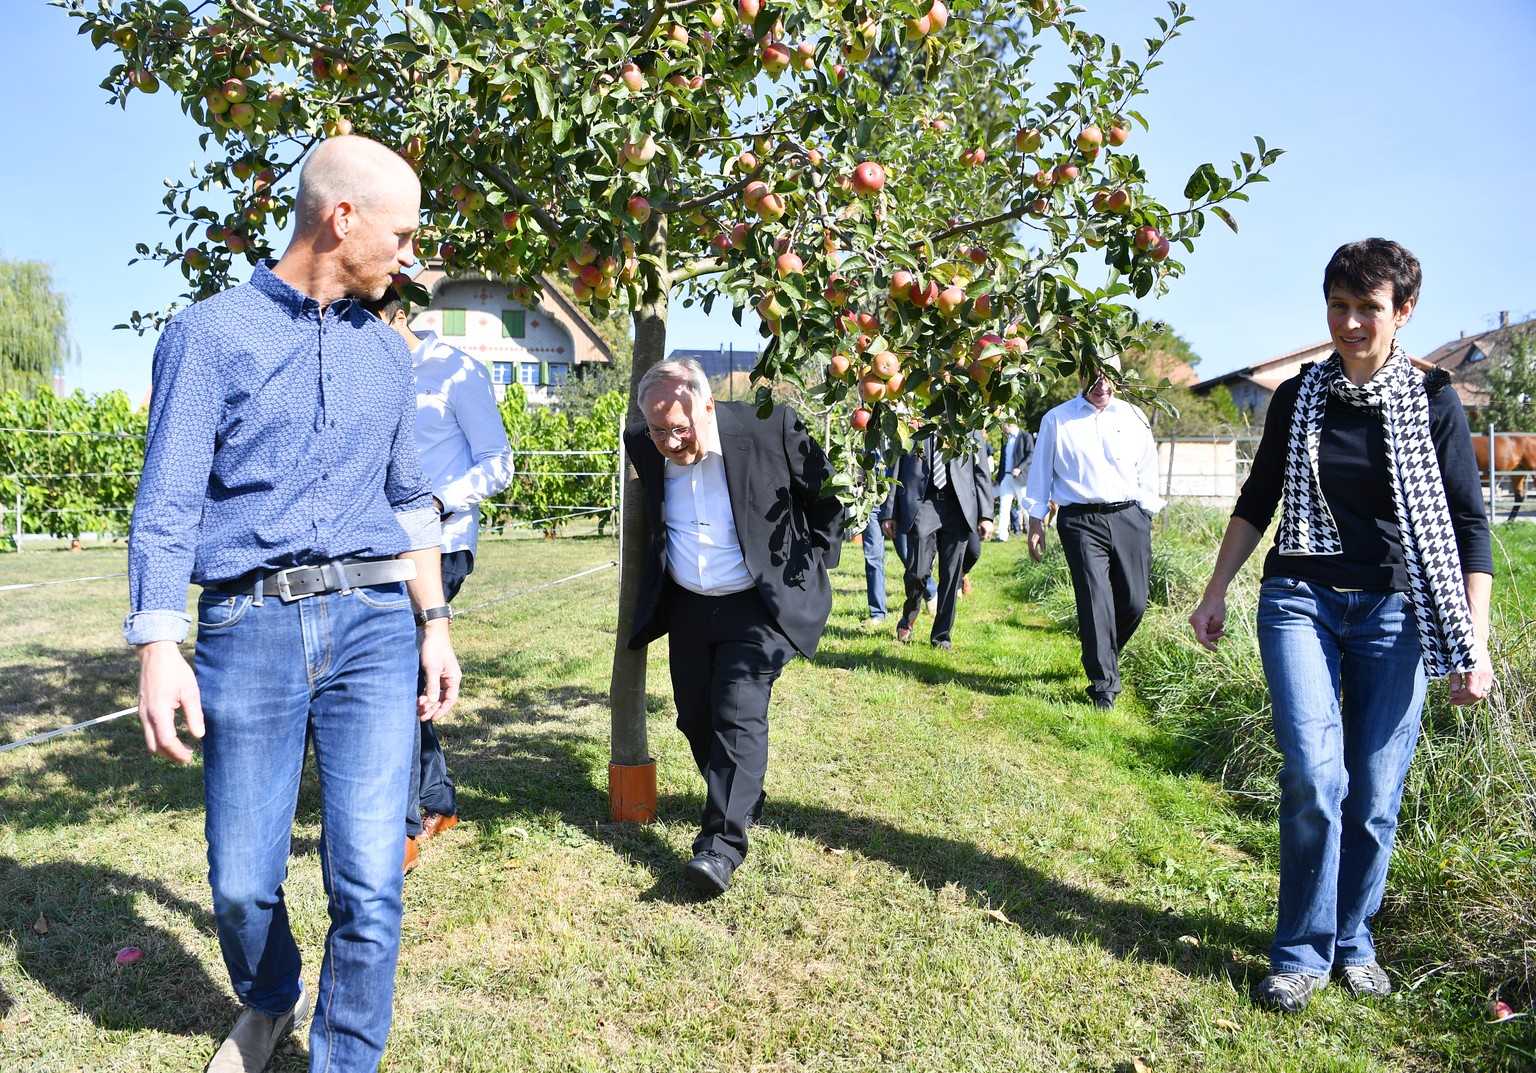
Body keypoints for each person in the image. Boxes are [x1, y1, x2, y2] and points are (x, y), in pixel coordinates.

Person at [126, 135, 461, 1073]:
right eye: (401, 234)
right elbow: (165, 508)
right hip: (249, 627)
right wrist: (159, 644)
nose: (410, 255)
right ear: (340, 217)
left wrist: (435, 624)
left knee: (367, 877)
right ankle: (271, 996)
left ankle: (345, 1058)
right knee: (240, 881)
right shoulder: (207, 337)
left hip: (371, 630)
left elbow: (408, 500)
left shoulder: (390, 355)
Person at [1189, 238, 1493, 1014]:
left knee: (1376, 795)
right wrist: (1216, 588)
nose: (1352, 322)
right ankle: (1298, 953)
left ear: (1404, 312)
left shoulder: (1435, 400)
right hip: (1300, 598)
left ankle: (1352, 939)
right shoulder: (1299, 395)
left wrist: (1476, 643)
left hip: (1398, 612)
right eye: (1339, 305)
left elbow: (1468, 526)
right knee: (1316, 779)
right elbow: (1259, 496)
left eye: (1369, 307)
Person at [624, 359, 842, 895]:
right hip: (690, 605)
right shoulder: (642, 442)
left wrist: (812, 563)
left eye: (681, 427)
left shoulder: (772, 427)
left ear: (708, 406)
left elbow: (824, 500)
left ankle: (719, 848)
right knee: (696, 717)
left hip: (756, 604)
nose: (670, 441)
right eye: (658, 429)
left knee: (736, 715)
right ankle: (744, 793)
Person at [370, 288, 514, 866]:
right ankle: (436, 801)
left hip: (442, 544)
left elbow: (498, 463)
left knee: (391, 677)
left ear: (398, 313)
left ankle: (400, 828)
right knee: (397, 674)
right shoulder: (365, 372)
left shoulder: (457, 370)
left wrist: (436, 500)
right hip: (376, 544)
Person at [1024, 354, 1162, 708]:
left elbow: (1148, 469)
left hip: (1130, 517)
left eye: (1108, 375)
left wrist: (1146, 513)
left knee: (1134, 602)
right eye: (1093, 374)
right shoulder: (1057, 420)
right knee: (1095, 599)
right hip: (1080, 521)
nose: (1101, 383)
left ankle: (1101, 651)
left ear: (1118, 376)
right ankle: (1104, 687)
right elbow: (1040, 475)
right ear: (1080, 375)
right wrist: (1036, 522)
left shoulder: (1134, 416)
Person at [885, 430, 993, 649]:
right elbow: (895, 468)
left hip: (959, 507)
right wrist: (890, 512)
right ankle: (909, 613)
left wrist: (986, 515)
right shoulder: (914, 422)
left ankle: (941, 637)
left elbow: (981, 472)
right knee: (917, 572)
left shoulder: (969, 427)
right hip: (924, 503)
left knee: (951, 576)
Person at [992, 420, 1034, 542]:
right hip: (1006, 477)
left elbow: (1030, 455)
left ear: (1010, 424)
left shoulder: (1026, 437)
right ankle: (1002, 535)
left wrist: (1019, 468)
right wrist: (998, 479)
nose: (1002, 427)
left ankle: (1032, 532)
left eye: (1003, 424)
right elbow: (1002, 460)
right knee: (1004, 506)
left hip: (1020, 477)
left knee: (1025, 505)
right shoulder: (1004, 439)